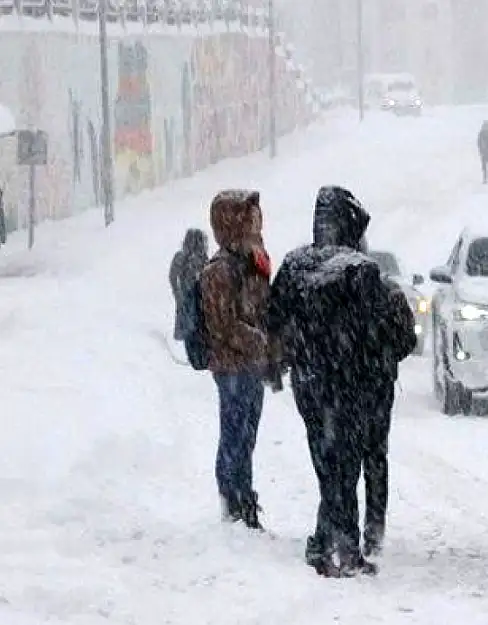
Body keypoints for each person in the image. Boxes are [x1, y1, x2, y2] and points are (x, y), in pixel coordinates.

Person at [266, 185, 417, 577]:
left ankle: (322, 541)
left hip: (309, 380)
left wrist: (291, 356)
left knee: (325, 461)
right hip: (347, 382)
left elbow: (275, 318)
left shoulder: (296, 264)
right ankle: (344, 548)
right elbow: (374, 330)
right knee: (345, 465)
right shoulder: (360, 271)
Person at [199, 189, 280, 530]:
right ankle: (233, 500)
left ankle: (243, 495)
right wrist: (258, 340)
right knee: (234, 432)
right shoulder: (219, 270)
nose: (256, 227)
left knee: (247, 434)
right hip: (232, 365)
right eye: (248, 220)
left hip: (250, 365)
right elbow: (223, 325)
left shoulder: (253, 263)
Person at [169, 228, 209, 341]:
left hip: (198, 297)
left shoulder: (203, 259)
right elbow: (173, 276)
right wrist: (177, 293)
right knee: (185, 323)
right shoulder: (181, 257)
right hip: (186, 295)